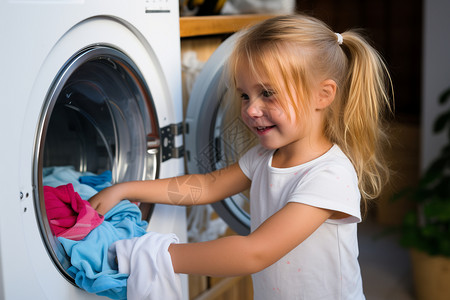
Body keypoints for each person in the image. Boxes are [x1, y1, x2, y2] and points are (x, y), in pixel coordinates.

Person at [89, 14, 392, 299]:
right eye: (245, 95)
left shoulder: (329, 176)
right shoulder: (264, 156)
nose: (250, 109)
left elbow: (253, 253)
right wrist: (126, 189)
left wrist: (155, 255)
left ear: (323, 95)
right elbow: (205, 187)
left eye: (268, 93)